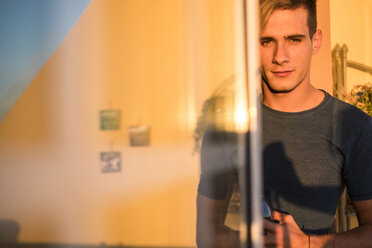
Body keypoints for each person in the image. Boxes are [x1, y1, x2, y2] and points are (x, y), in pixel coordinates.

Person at [196, 0, 372, 247]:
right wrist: (253, 241)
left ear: (316, 41)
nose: (280, 57)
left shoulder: (354, 127)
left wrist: (310, 243)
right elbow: (205, 234)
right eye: (266, 41)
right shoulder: (227, 129)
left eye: (294, 39)